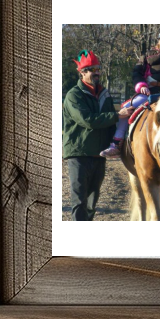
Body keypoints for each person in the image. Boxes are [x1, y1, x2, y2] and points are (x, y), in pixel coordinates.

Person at [100, 26, 160, 158]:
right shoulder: (148, 56)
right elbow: (137, 72)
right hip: (151, 92)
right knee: (126, 107)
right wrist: (142, 85)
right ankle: (117, 142)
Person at [63, 49, 134, 220]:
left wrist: (117, 142)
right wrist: (117, 115)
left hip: (98, 154)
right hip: (79, 154)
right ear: (82, 73)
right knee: (79, 200)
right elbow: (87, 120)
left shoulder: (104, 93)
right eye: (93, 70)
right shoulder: (74, 95)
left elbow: (111, 125)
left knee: (92, 201)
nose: (97, 73)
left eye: (98, 69)